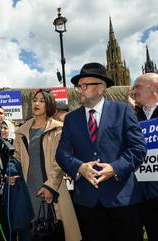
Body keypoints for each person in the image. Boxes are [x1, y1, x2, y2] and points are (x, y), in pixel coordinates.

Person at [56, 62, 147, 241]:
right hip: (88, 203)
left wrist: (115, 168)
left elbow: (138, 149)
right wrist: (80, 167)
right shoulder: (71, 119)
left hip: (123, 200)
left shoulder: (123, 111)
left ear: (100, 87)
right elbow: (61, 153)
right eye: (78, 86)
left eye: (84, 85)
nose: (78, 90)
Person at [12, 89, 81, 241]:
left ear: (49, 104)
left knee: (50, 231)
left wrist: (50, 186)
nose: (36, 103)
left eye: (42, 101)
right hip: (27, 190)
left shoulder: (58, 129)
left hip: (51, 189)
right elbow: (16, 157)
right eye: (35, 100)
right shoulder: (20, 132)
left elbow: (60, 160)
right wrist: (11, 172)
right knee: (28, 233)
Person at [131, 72, 158, 241]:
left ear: (154, 88)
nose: (133, 91)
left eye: (138, 87)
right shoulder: (132, 117)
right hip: (141, 194)